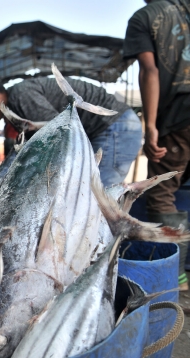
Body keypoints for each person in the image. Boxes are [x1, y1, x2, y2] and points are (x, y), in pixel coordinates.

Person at [0, 71, 143, 187]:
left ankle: (109, 251)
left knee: (97, 200)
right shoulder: (16, 105)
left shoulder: (21, 97)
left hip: (116, 127)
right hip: (112, 128)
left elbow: (62, 135)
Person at [124, 0, 190, 290]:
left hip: (179, 115)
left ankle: (176, 278)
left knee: (161, 193)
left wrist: (150, 126)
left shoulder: (145, 17)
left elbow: (149, 71)